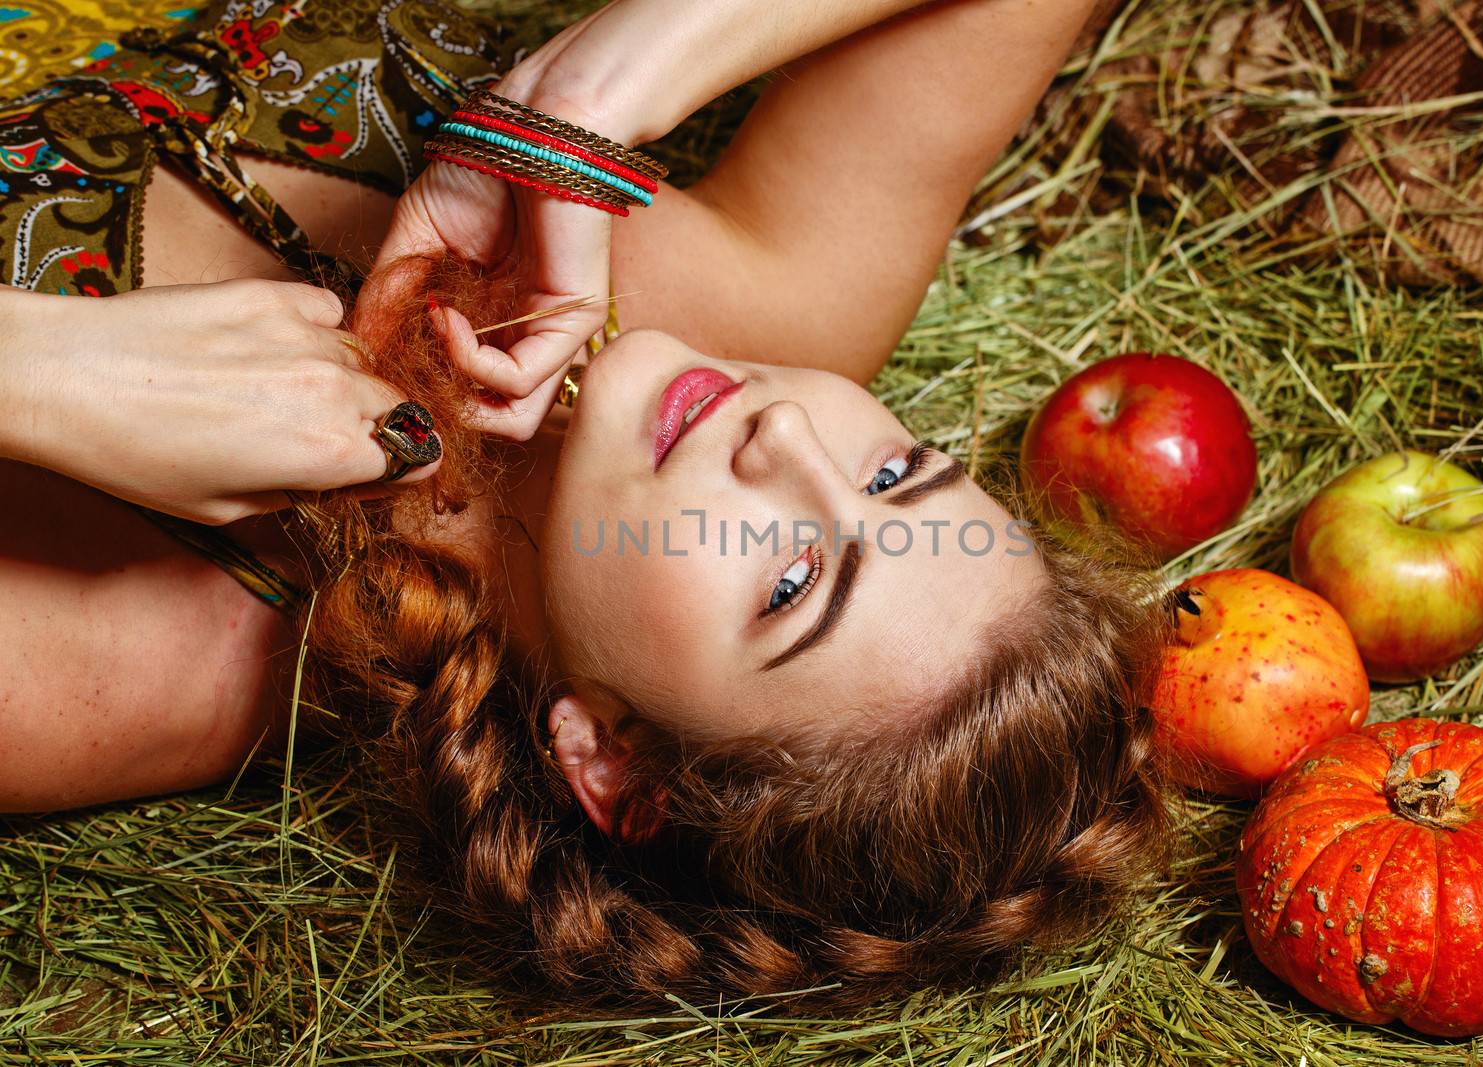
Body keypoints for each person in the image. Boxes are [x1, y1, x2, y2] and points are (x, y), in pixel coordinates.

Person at [0, 0, 1168, 1007]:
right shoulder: (779, 310)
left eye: (791, 579)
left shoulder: (102, 666)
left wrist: (53, 377)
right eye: (895, 474)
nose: (792, 435)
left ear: (612, 761)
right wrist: (602, 85)